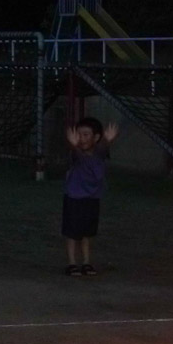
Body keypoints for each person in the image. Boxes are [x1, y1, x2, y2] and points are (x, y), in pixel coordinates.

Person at [63, 117, 119, 276]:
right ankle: (72, 263)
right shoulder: (76, 155)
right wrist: (73, 146)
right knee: (72, 232)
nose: (81, 138)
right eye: (79, 134)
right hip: (74, 197)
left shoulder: (99, 154)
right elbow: (78, 155)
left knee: (88, 233)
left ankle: (86, 262)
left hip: (92, 198)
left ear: (96, 137)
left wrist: (108, 140)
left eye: (86, 134)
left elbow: (101, 150)